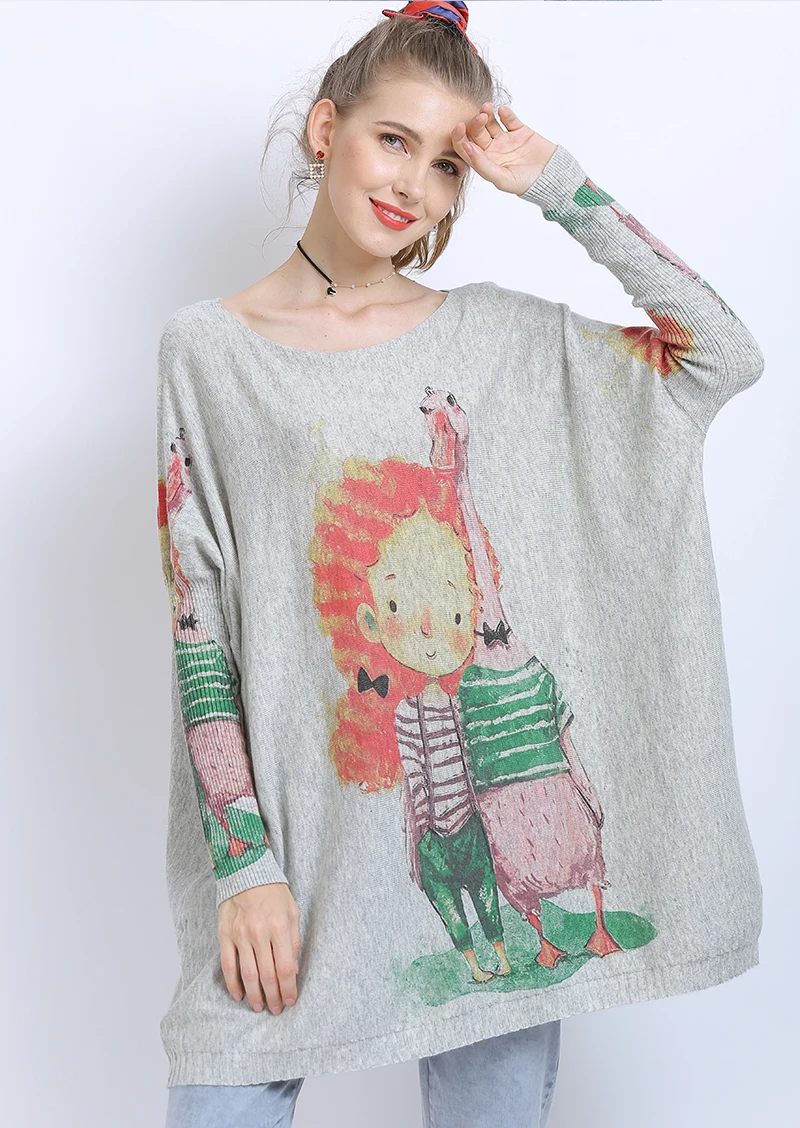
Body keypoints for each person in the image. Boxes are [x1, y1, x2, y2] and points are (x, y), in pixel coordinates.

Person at [156, 2, 764, 1125]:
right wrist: (242, 868)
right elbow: (200, 622)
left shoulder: (501, 340)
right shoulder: (209, 351)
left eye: (446, 164)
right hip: (291, 863)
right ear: (326, 129)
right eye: (394, 140)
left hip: (480, 843)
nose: (414, 186)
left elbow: (719, 355)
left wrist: (555, 184)